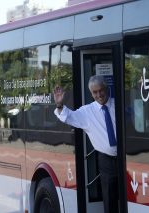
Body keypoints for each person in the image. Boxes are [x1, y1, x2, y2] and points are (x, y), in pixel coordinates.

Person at [53, 75, 118, 213]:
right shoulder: (87, 112)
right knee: (110, 199)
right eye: (95, 92)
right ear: (91, 93)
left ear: (106, 88)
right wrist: (59, 104)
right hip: (106, 161)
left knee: (130, 197)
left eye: (101, 90)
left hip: (128, 159)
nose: (99, 95)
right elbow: (67, 116)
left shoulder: (118, 104)